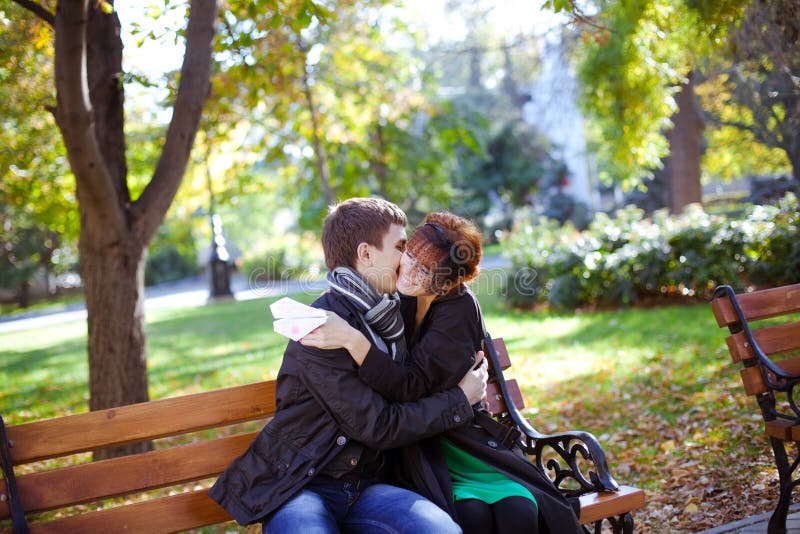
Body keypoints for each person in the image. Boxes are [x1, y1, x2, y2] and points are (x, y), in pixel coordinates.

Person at [208, 198, 488, 533]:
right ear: (367, 255)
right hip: (304, 486)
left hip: (367, 486)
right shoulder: (323, 327)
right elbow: (379, 425)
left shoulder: (390, 313)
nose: (407, 258)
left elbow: (414, 373)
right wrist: (459, 400)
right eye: (402, 247)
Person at [300, 212, 584, 534]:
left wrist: (355, 343)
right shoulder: (400, 300)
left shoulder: (457, 309)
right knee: (472, 514)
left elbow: (410, 386)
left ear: (447, 282)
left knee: (517, 509)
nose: (408, 270)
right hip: (421, 446)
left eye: (425, 270)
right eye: (408, 253)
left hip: (462, 445)